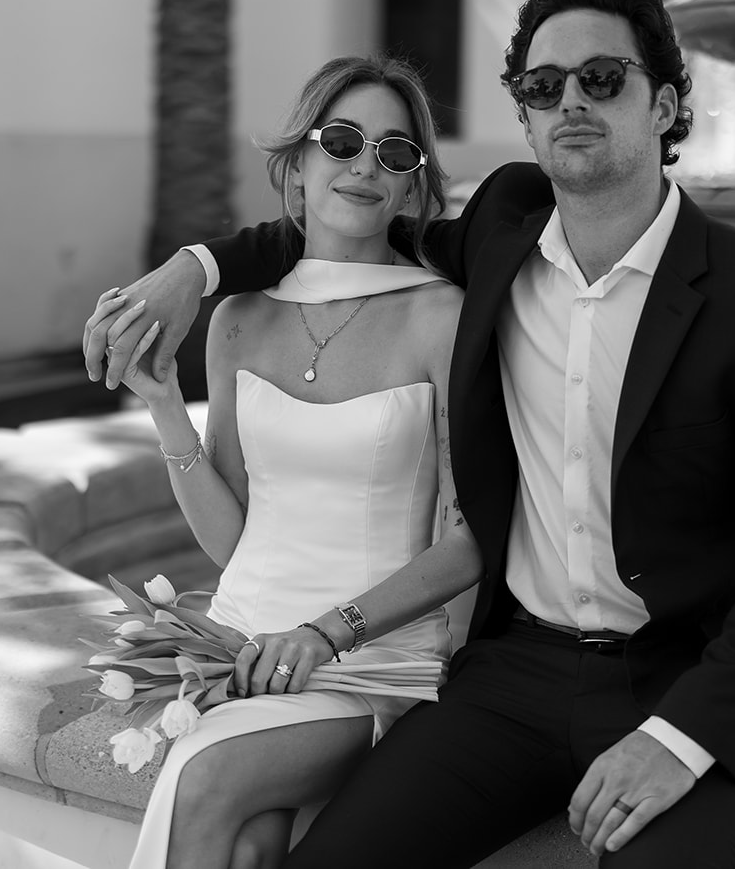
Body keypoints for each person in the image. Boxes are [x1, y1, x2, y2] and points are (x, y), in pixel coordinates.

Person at [89, 0, 735, 868]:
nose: (571, 99)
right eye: (543, 86)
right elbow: (337, 233)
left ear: (666, 105)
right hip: (512, 674)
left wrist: (681, 738)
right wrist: (195, 267)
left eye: (603, 78)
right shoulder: (500, 228)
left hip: (681, 679)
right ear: (525, 118)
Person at [89, 54, 480, 869]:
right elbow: (235, 541)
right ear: (297, 167)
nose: (366, 165)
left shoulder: (442, 316)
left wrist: (328, 634)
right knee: (249, 849)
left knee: (202, 775)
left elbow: (467, 537)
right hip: (238, 646)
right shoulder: (236, 320)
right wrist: (166, 407)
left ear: (413, 187)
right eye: (341, 141)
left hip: (370, 660)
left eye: (395, 152)